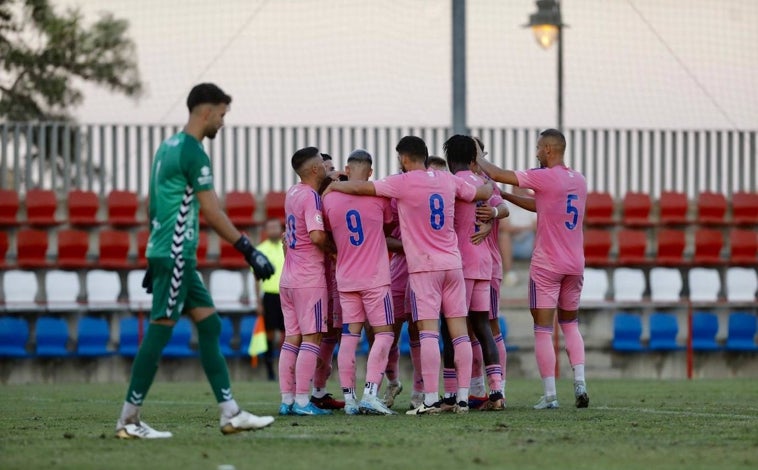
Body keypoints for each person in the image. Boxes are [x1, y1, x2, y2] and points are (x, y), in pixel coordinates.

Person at [115, 83, 276, 439]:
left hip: (168, 253)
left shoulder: (166, 148)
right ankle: (128, 420)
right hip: (174, 256)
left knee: (209, 325)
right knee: (160, 329)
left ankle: (230, 413)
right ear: (206, 112)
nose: (222, 122)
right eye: (221, 115)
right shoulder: (193, 153)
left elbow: (154, 205)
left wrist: (151, 255)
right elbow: (213, 212)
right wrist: (249, 249)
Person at [323, 136, 493, 415]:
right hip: (453, 264)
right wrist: (485, 182)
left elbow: (362, 187)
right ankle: (462, 398)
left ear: (403, 158)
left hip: (424, 269)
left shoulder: (400, 182)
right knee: (460, 333)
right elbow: (481, 194)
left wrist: (335, 186)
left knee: (428, 333)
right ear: (425, 155)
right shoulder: (446, 179)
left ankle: (429, 399)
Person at [476, 128, 590, 409]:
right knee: (570, 324)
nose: (537, 153)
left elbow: (499, 172)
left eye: (539, 148)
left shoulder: (543, 176)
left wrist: (477, 156)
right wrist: (505, 195)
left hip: (548, 264)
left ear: (549, 150)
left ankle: (550, 395)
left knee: (542, 328)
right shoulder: (578, 179)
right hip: (575, 263)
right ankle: (580, 384)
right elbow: (543, 205)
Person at [323, 149, 396, 415]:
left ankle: (350, 399)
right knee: (385, 334)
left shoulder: (329, 200)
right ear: (371, 173)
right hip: (375, 278)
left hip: (346, 277)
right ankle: (370, 393)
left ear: (346, 168)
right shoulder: (379, 197)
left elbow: (326, 231)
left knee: (349, 337)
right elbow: (389, 226)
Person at [442, 135, 505, 411]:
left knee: (451, 330)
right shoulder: (483, 182)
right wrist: (490, 218)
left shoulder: (450, 183)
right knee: (483, 327)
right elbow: (500, 207)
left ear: (448, 159)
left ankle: (454, 393)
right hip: (483, 262)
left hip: (460, 263)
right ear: (472, 159)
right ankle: (496, 392)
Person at [278, 146, 334, 416]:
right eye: (323, 164)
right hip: (308, 280)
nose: (326, 168)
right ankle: (302, 401)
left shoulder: (292, 192)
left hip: (288, 278)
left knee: (292, 339)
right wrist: (335, 249)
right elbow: (315, 236)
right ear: (314, 169)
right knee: (312, 338)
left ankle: (287, 399)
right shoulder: (311, 196)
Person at [256, 218, 286, 381]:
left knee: (287, 332)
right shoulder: (260, 250)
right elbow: (256, 278)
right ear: (266, 231)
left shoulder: (287, 246)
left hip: (286, 295)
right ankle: (270, 371)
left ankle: (285, 368)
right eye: (270, 227)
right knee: (269, 333)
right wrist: (258, 301)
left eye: (276, 227)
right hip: (269, 296)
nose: (273, 230)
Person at [499, 185, 537, 287]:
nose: (517, 189)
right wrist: (525, 228)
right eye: (515, 187)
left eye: (520, 187)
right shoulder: (504, 204)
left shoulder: (532, 202)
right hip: (511, 241)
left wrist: (515, 229)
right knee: (504, 236)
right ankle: (509, 273)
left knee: (541, 236)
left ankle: (539, 274)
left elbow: (537, 226)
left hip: (529, 240)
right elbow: (504, 227)